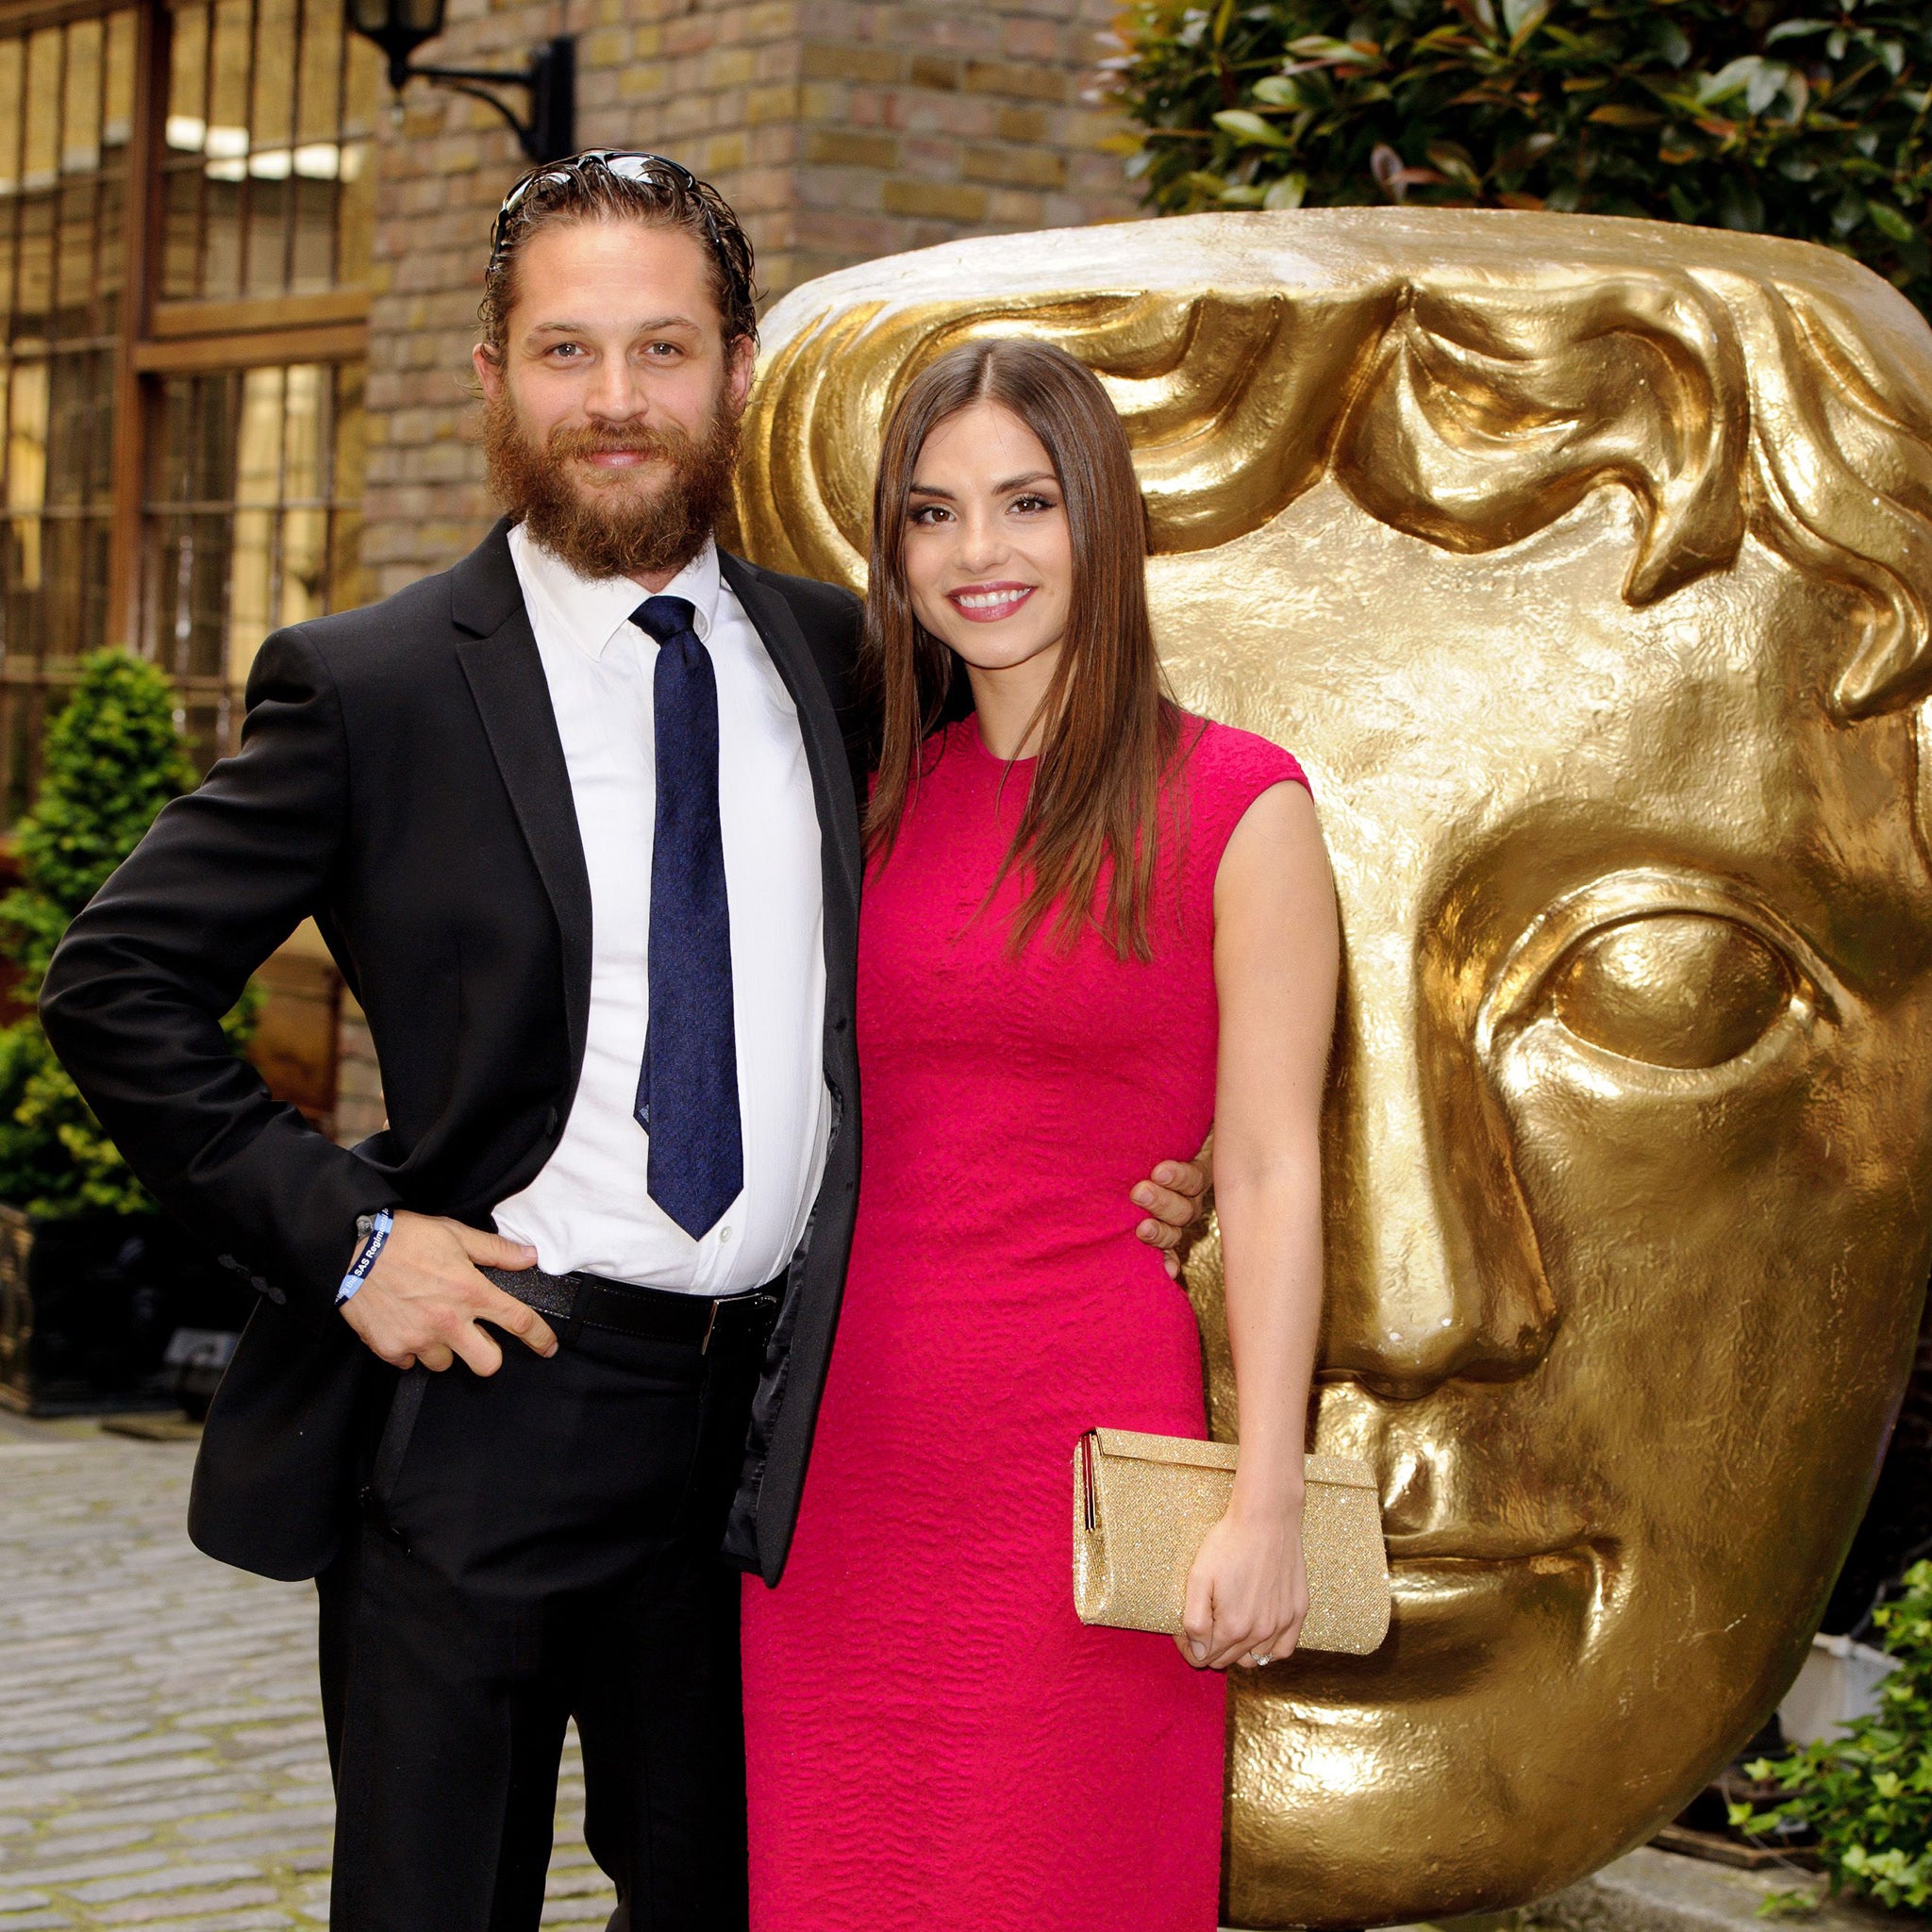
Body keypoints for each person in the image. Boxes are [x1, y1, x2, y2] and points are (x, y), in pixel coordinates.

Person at [37, 158, 1208, 1932]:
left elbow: (985, 958)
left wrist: (1134, 1163)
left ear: (740, 370)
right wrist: (347, 1236)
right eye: (566, 349)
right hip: (493, 1395)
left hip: (783, 1430)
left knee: (750, 1899)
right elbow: (112, 979)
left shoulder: (853, 664)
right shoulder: (372, 687)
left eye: (661, 347)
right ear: (492, 376)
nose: (615, 401)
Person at [737, 339, 1339, 1931]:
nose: (977, 554)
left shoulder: (1237, 804)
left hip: (1083, 1465)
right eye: (932, 515)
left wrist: (1265, 1494)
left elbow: (1275, 1168)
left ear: (1104, 521)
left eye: (1025, 502)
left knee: (1063, 1878)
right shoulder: (867, 799)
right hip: (841, 1469)